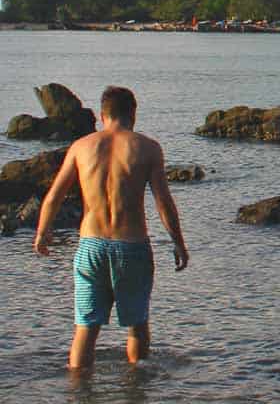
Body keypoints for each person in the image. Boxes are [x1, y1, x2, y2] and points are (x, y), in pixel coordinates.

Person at [32, 86, 190, 370]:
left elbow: (54, 195)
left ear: (103, 114)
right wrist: (178, 242)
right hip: (131, 246)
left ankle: (78, 392)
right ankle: (136, 387)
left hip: (90, 246)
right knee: (137, 326)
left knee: (86, 328)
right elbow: (163, 202)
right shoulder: (147, 148)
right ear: (133, 113)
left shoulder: (81, 147)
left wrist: (43, 232)